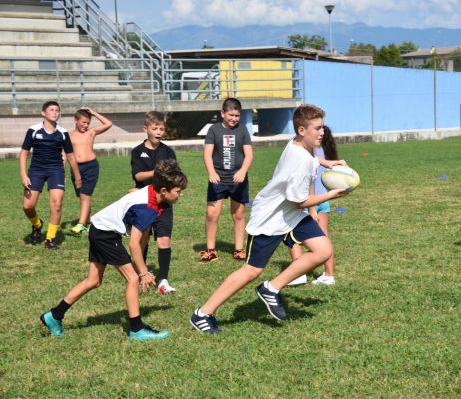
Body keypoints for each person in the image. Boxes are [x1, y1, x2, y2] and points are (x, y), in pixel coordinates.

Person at [190, 104, 347, 334]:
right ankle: (203, 314)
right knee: (252, 270)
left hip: (290, 215)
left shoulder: (301, 144)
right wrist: (332, 194)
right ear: (302, 130)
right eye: (317, 128)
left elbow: (310, 162)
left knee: (323, 250)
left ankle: (271, 289)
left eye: (322, 127)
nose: (322, 132)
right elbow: (299, 202)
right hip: (272, 218)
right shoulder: (300, 161)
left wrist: (327, 163)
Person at [40, 159, 188, 341]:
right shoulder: (147, 207)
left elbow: (142, 237)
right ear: (164, 191)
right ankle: (137, 329)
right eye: (179, 192)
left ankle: (54, 316)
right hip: (105, 233)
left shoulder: (155, 194)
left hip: (99, 228)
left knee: (93, 281)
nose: (181, 195)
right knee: (132, 279)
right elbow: (134, 243)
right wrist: (142, 273)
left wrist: (138, 265)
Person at [19, 101, 82, 249]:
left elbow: (71, 156)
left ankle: (50, 238)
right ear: (43, 113)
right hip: (36, 171)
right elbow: (23, 153)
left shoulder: (63, 133)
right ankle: (37, 225)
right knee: (28, 206)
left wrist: (77, 176)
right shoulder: (33, 130)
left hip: (56, 171)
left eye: (57, 110)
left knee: (57, 204)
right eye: (51, 110)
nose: (55, 112)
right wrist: (23, 174)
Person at [288, 126, 345, 286]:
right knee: (324, 236)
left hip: (309, 201)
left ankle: (299, 274)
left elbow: (311, 180)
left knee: (292, 237)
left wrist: (312, 208)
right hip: (323, 200)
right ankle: (329, 275)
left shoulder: (305, 152)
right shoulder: (325, 152)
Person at [199, 98, 253, 263]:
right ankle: (211, 250)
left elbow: (249, 154)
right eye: (231, 114)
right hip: (218, 179)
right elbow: (207, 154)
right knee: (212, 214)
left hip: (238, 179)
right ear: (222, 113)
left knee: (238, 214)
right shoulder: (214, 130)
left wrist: (243, 171)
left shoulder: (243, 130)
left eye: (237, 115)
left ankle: (239, 249)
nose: (234, 118)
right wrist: (212, 173)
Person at [131, 111, 179, 294]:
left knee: (164, 240)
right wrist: (158, 171)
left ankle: (163, 280)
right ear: (146, 129)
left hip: (164, 202)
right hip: (143, 202)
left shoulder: (168, 151)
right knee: (142, 239)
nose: (159, 132)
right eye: (154, 128)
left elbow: (174, 176)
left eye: (162, 128)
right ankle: (138, 274)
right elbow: (138, 175)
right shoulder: (137, 152)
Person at [69, 107, 113, 235]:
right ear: (75, 121)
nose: (86, 125)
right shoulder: (68, 136)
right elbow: (65, 155)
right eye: (83, 122)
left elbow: (108, 124)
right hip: (76, 169)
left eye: (88, 123)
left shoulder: (91, 132)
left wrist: (93, 112)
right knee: (82, 196)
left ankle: (81, 224)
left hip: (91, 167)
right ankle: (88, 220)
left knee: (85, 195)